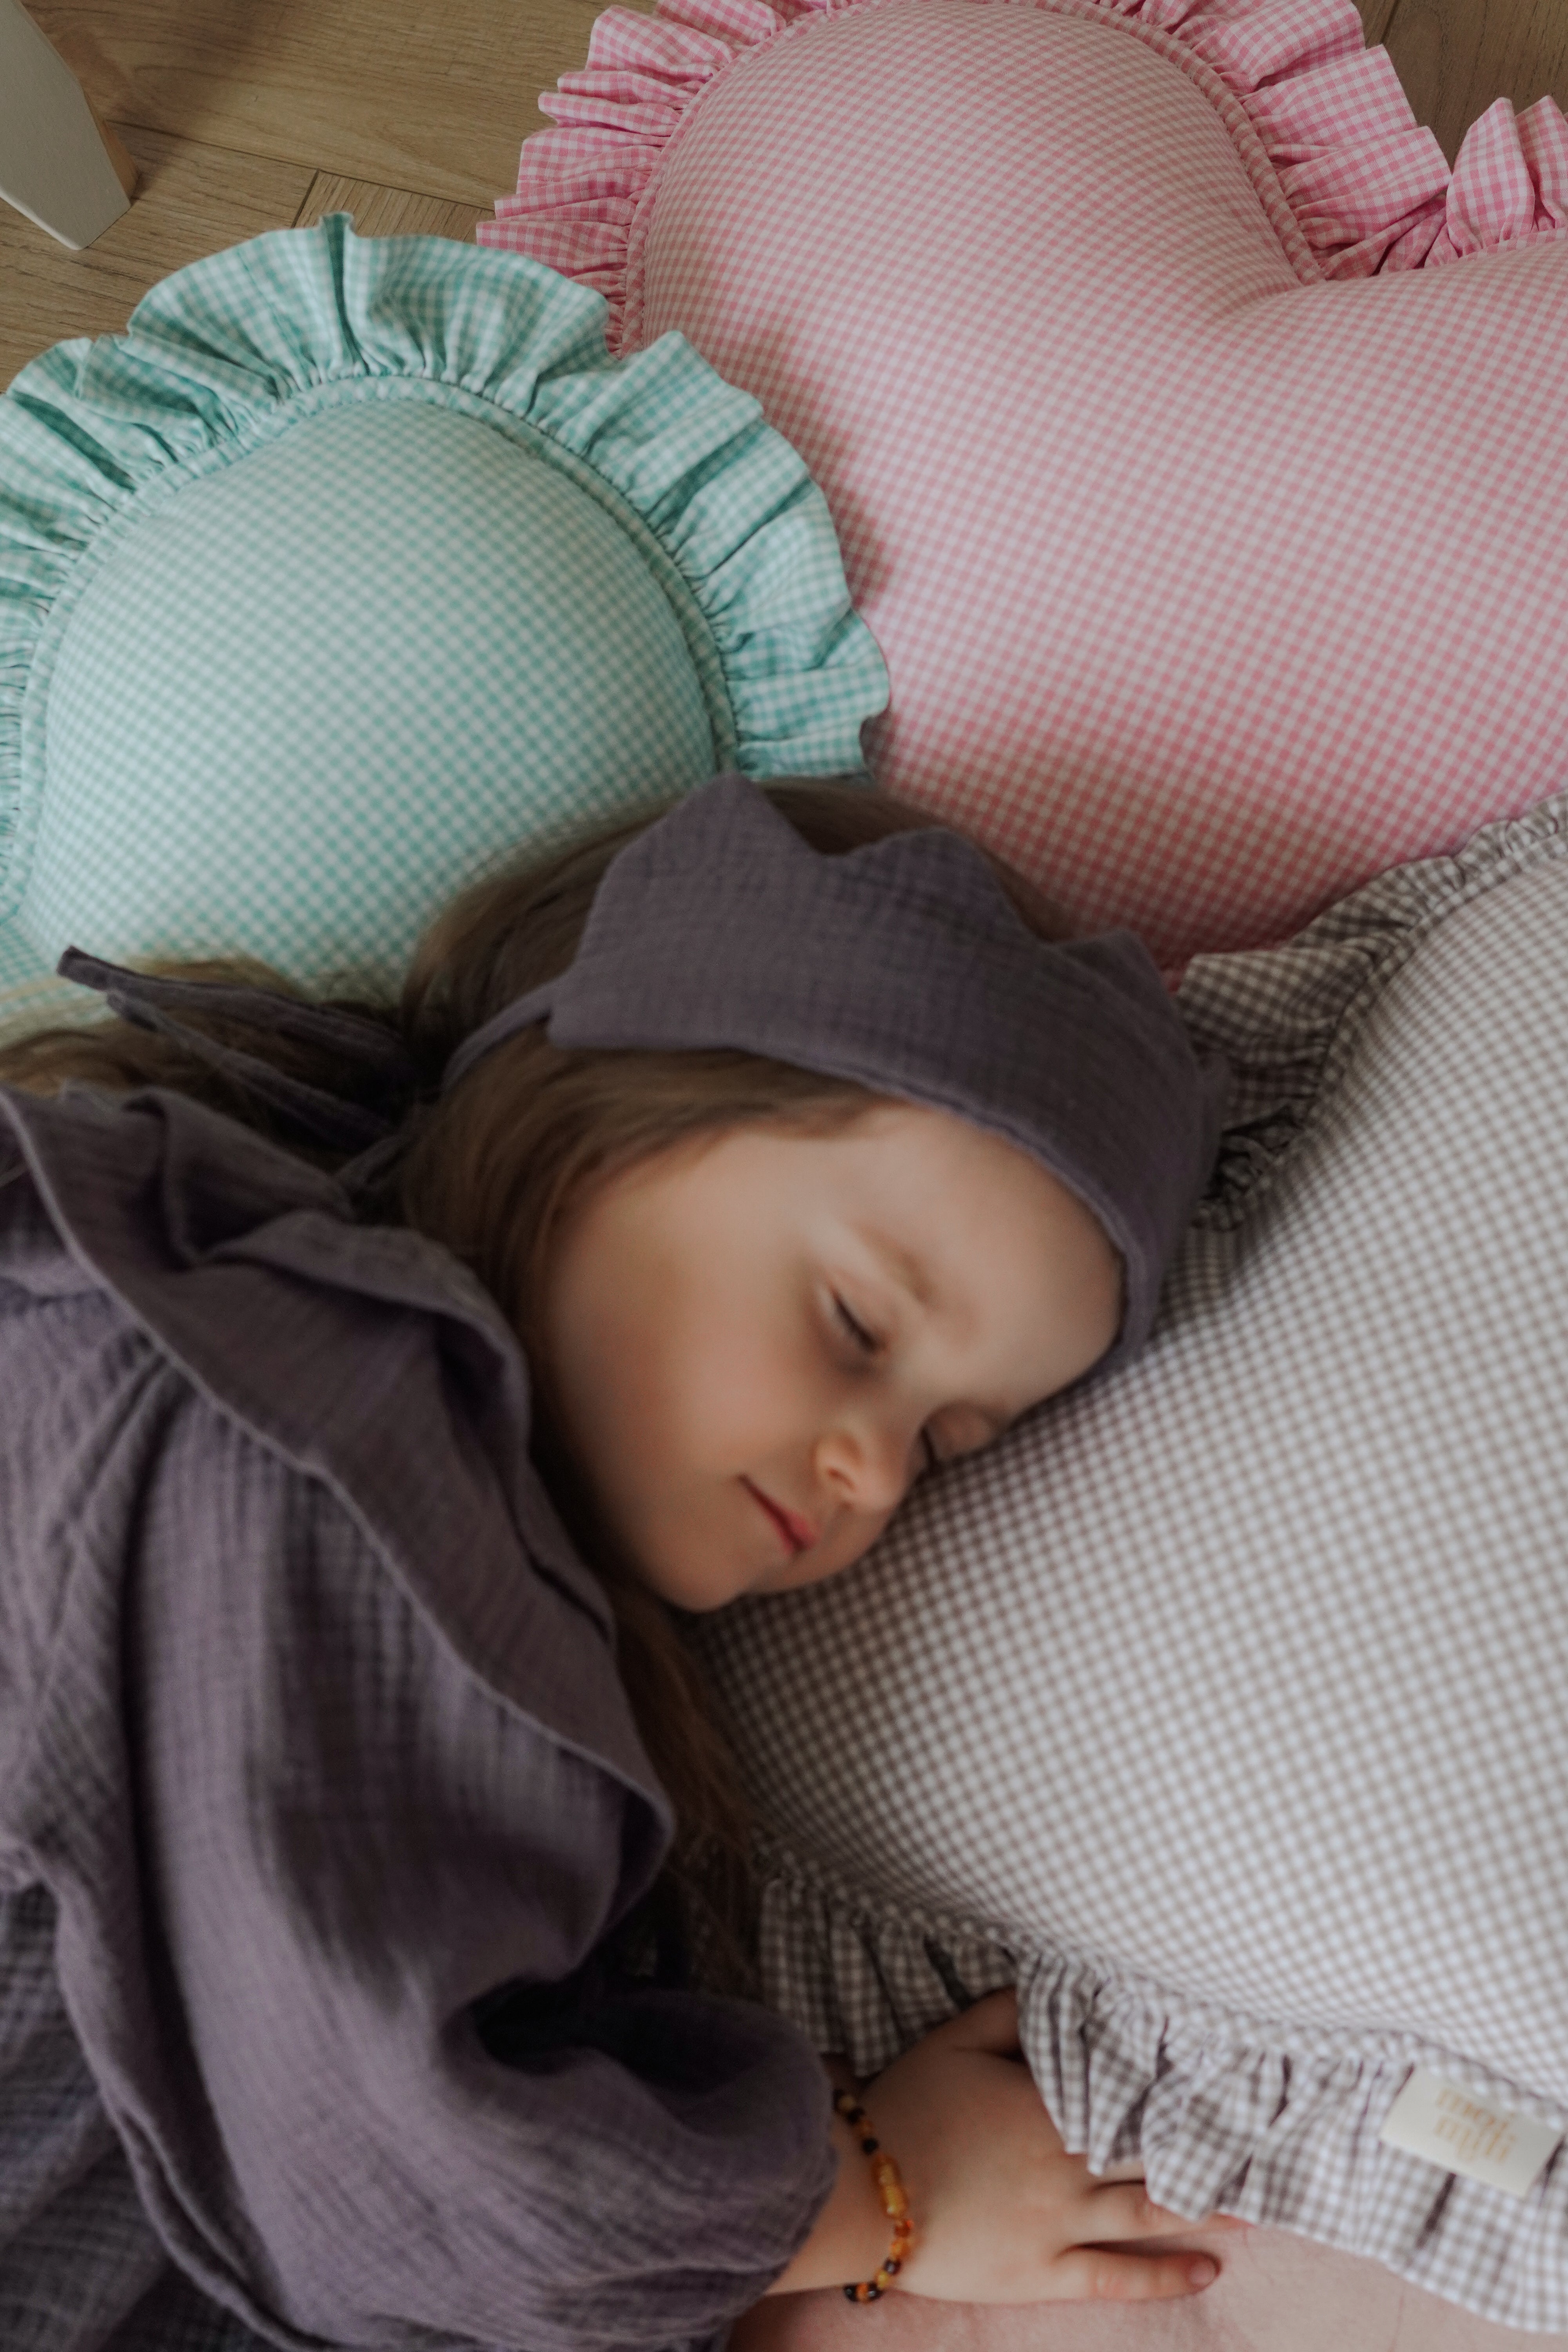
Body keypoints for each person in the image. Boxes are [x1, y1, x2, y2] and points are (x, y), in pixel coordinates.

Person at [0, 773, 1234, 2352]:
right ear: (600, 1127)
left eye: (945, 1446)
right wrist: (881, 2184)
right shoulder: (292, 1418)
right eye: (853, 1325)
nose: (869, 1471)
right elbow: (411, 2185)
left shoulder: (457, 1540)